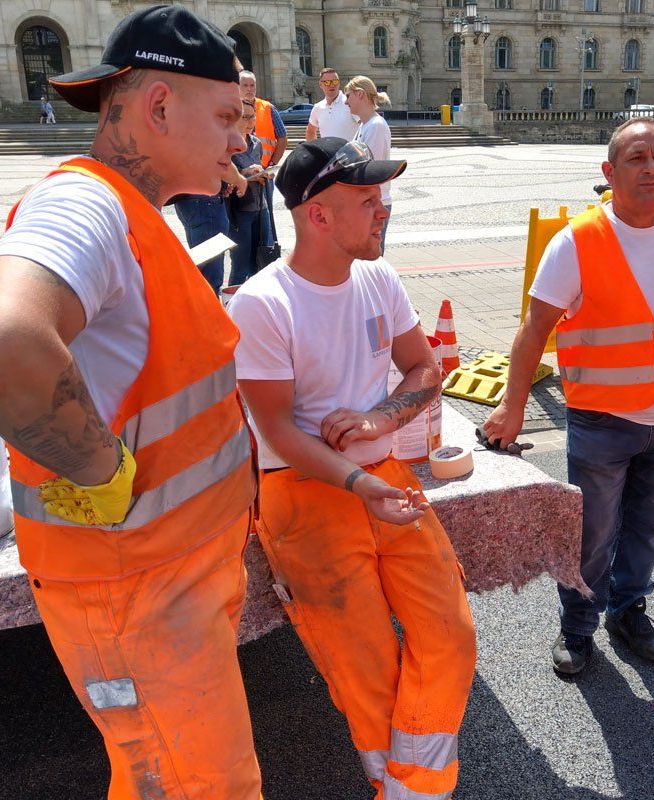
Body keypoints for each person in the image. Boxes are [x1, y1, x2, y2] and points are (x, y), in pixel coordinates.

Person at [0, 7, 264, 798]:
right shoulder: (84, 204)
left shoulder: (129, 212)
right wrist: (101, 471)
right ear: (158, 108)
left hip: (168, 586)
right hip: (140, 597)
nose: (242, 139)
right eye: (227, 116)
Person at [231, 137, 476, 800]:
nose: (382, 211)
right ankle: (408, 788)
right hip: (303, 494)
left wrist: (380, 421)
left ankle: (411, 790)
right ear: (317, 216)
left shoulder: (379, 278)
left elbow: (426, 370)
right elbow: (276, 427)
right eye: (366, 199)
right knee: (367, 669)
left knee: (450, 634)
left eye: (381, 198)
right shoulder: (261, 303)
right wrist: (362, 479)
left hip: (383, 480)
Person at [481, 118, 654, 675]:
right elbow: (534, 330)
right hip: (602, 420)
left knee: (648, 527)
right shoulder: (577, 240)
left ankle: (629, 610)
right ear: (609, 171)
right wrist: (513, 404)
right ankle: (578, 627)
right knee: (592, 536)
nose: (652, 168)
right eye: (637, 159)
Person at [238, 70, 288, 263]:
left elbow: (282, 138)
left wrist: (272, 165)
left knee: (266, 222)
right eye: (245, 85)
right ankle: (246, 259)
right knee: (242, 225)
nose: (250, 89)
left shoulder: (267, 108)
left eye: (252, 86)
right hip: (239, 179)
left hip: (264, 176)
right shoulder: (230, 108)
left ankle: (266, 257)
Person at [345, 75, 394, 254]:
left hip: (375, 203)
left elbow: (370, 170)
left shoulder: (376, 126)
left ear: (359, 95)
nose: (346, 102)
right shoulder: (365, 125)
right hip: (365, 202)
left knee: (371, 258)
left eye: (348, 95)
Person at [228, 99, 271, 286]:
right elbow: (224, 177)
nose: (249, 121)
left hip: (260, 207)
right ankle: (232, 304)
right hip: (240, 210)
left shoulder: (256, 143)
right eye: (244, 117)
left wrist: (263, 174)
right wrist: (245, 174)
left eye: (252, 117)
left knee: (259, 262)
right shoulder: (228, 143)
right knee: (240, 263)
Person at [305, 67, 359, 141]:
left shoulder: (349, 103)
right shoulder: (318, 107)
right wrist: (313, 151)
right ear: (320, 84)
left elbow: (365, 126)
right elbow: (310, 131)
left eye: (335, 82)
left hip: (349, 152)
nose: (332, 85)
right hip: (327, 152)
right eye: (327, 82)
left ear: (339, 82)